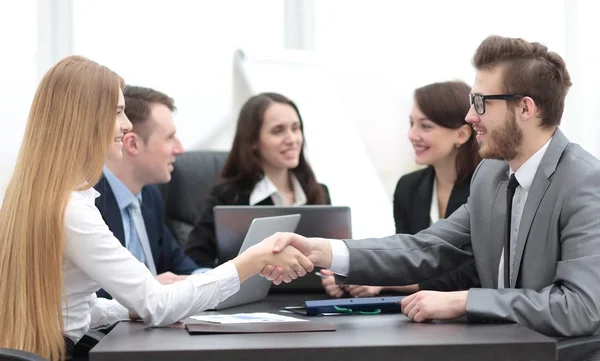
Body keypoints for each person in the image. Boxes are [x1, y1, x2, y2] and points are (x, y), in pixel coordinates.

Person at [262, 35, 600, 343]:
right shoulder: (491, 176)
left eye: (481, 102)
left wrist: (465, 301)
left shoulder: (584, 183)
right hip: (503, 347)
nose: (470, 116)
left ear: (525, 107)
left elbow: (579, 308)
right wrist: (323, 252)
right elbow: (427, 247)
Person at [0, 56, 312, 361]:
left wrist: (126, 308)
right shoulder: (72, 210)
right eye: (119, 112)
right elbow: (158, 305)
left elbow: (69, 309)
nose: (126, 125)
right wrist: (251, 260)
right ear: (86, 119)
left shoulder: (43, 196)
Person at [323, 81, 481, 298]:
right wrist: (349, 276)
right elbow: (402, 256)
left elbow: (474, 273)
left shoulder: (486, 188)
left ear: (462, 134)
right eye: (411, 123)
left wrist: (386, 282)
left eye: (425, 126)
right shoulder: (409, 187)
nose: (412, 135)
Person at [185, 92, 330, 268]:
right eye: (278, 130)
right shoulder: (228, 197)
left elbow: (334, 256)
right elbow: (194, 258)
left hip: (316, 295)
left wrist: (338, 277)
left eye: (295, 128)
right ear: (253, 140)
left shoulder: (317, 192)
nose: (292, 139)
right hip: (255, 296)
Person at [94, 86, 205, 298]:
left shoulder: (150, 196)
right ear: (132, 143)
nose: (180, 149)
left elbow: (181, 267)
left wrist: (230, 279)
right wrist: (148, 288)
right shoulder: (88, 200)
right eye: (169, 138)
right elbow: (86, 296)